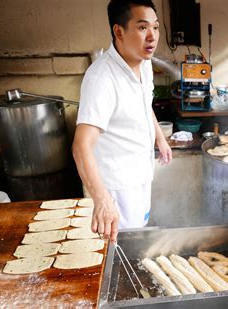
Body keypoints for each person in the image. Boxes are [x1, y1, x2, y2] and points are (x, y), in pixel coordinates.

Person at [72, 0, 172, 242]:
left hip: (140, 175)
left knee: (136, 238)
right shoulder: (102, 78)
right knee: (120, 249)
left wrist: (160, 138)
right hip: (116, 188)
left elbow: (143, 104)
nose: (152, 37)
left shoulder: (143, 64)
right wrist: (102, 200)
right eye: (142, 28)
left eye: (156, 27)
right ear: (119, 31)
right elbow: (81, 146)